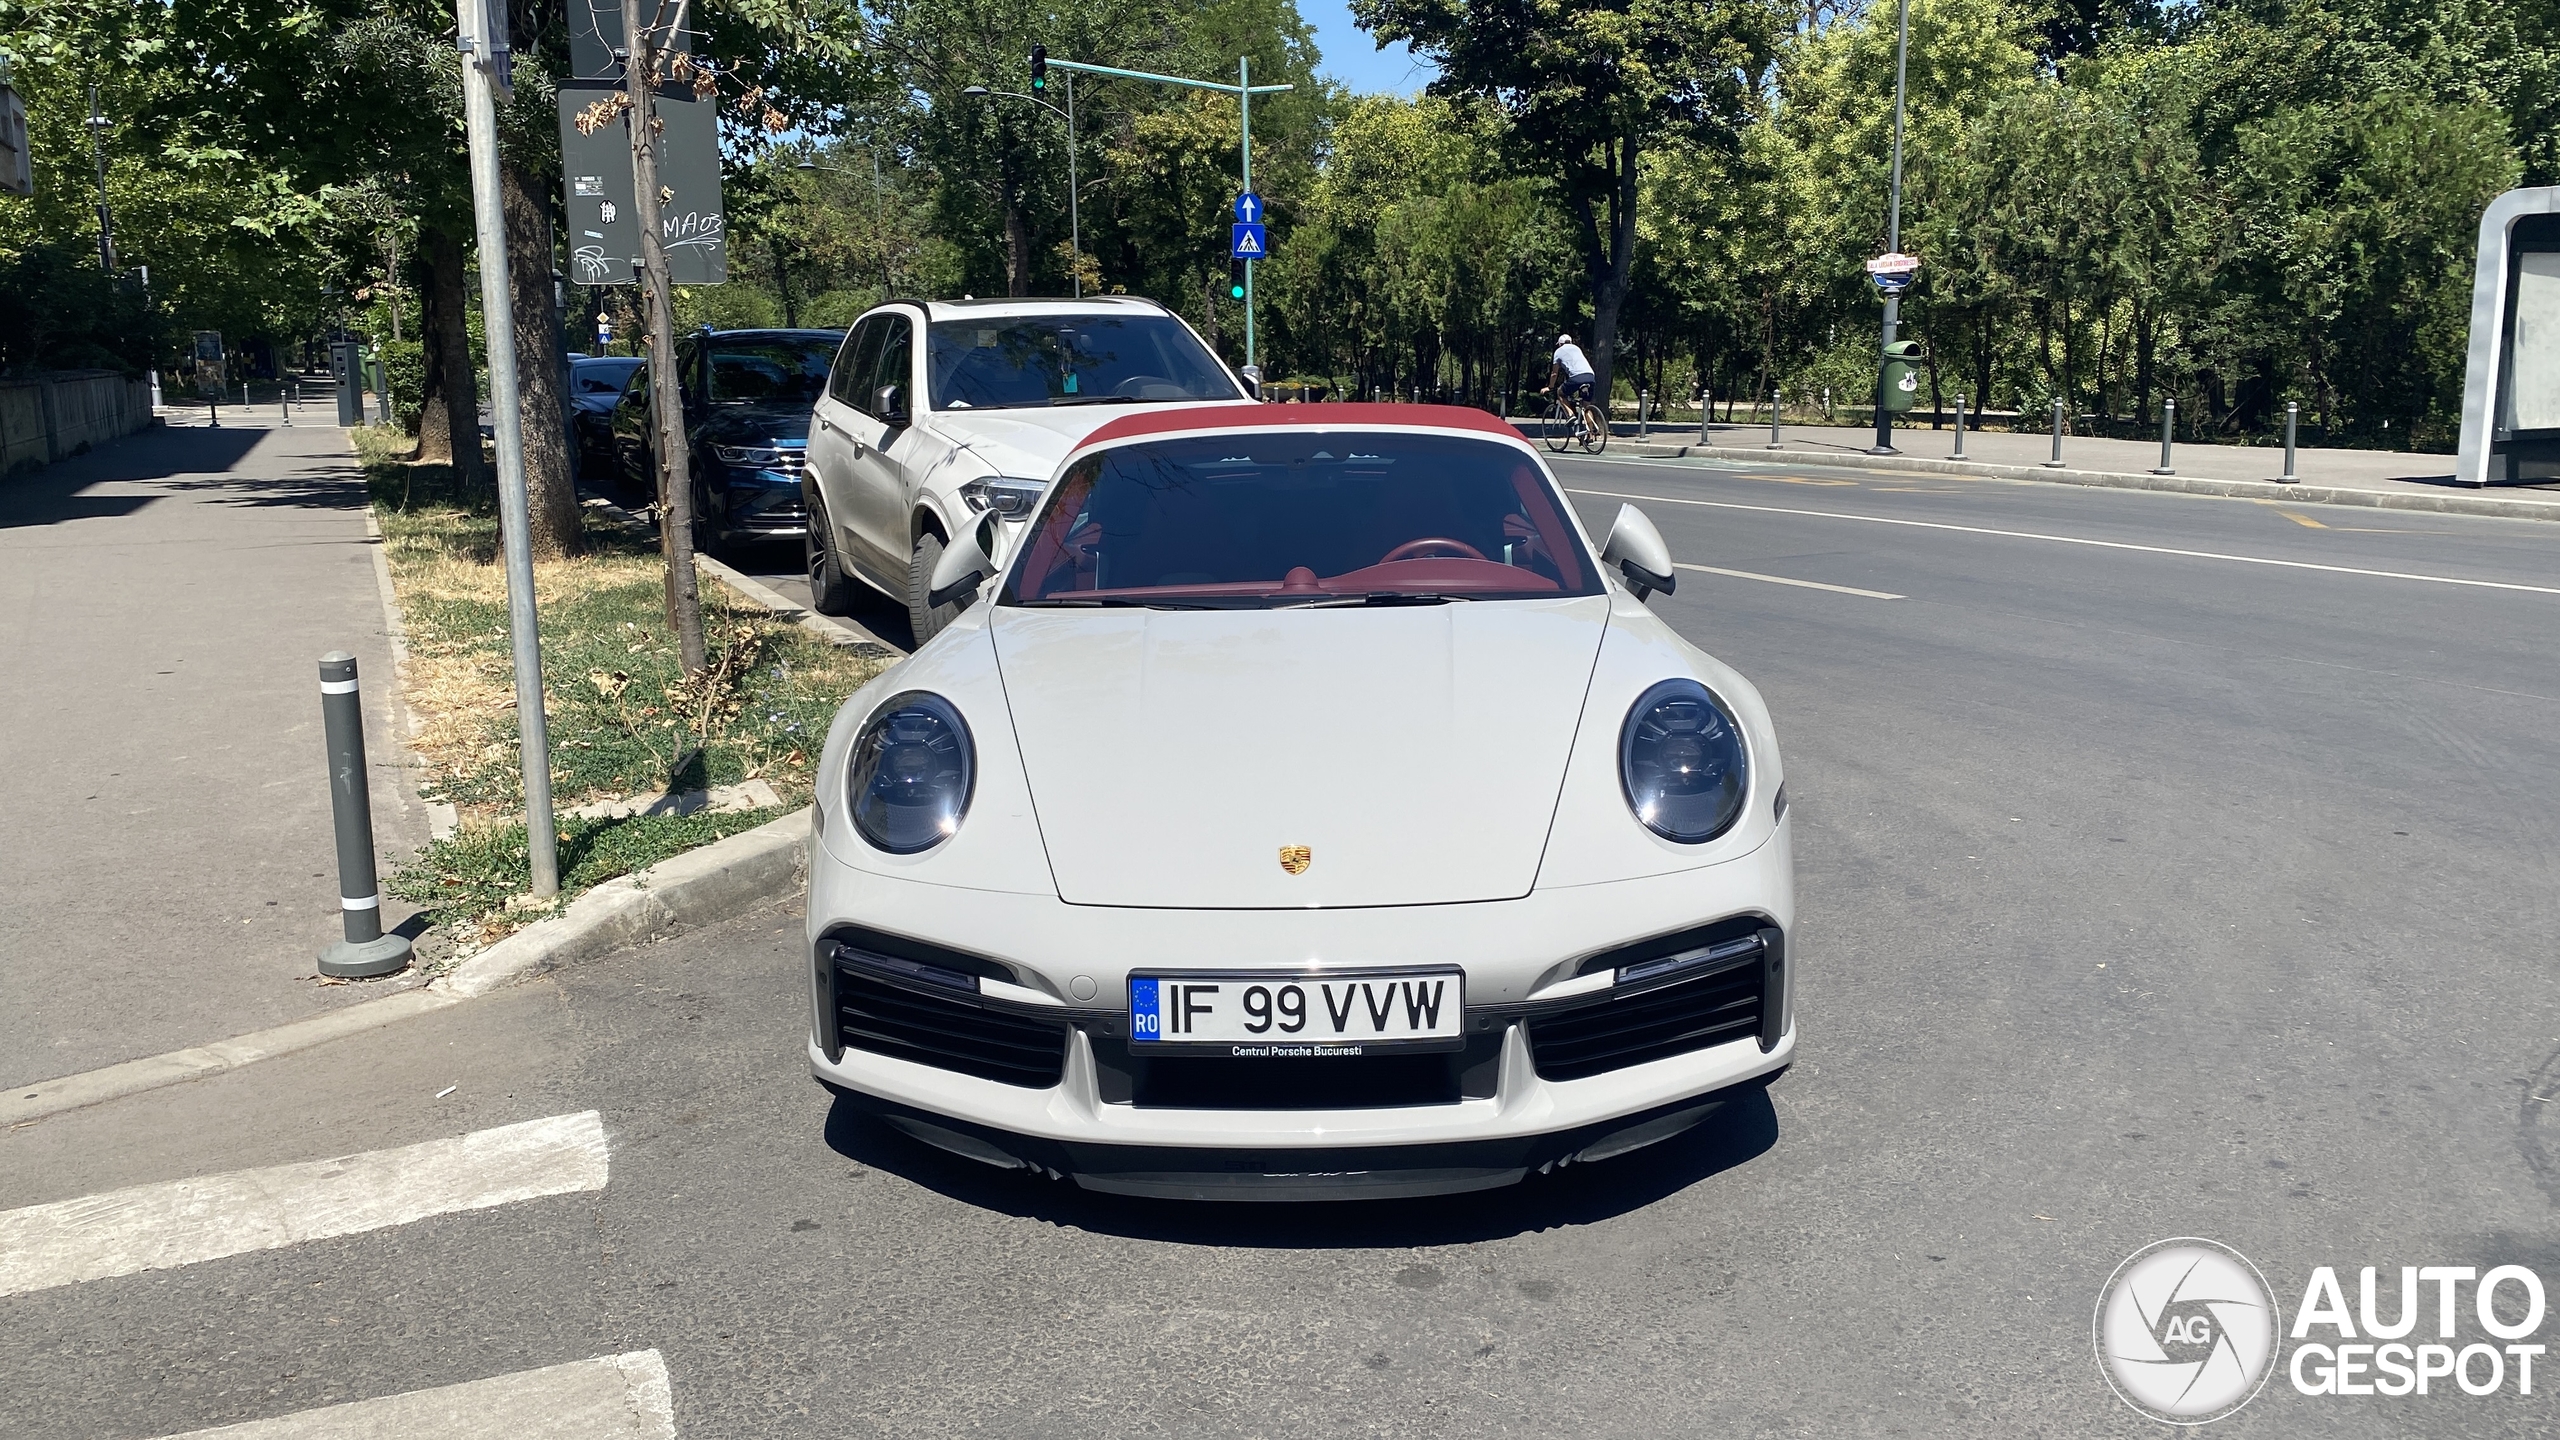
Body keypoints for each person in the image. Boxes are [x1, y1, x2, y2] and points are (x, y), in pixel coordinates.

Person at [1547, 333, 1597, 410]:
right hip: (1590, 376)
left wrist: (1550, 387)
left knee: (1560, 393)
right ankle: (1590, 421)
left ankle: (1571, 415)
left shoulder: (1558, 351)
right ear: (1571, 342)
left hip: (1576, 377)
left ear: (1560, 344)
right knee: (1586, 406)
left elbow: (1554, 373)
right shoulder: (1577, 348)